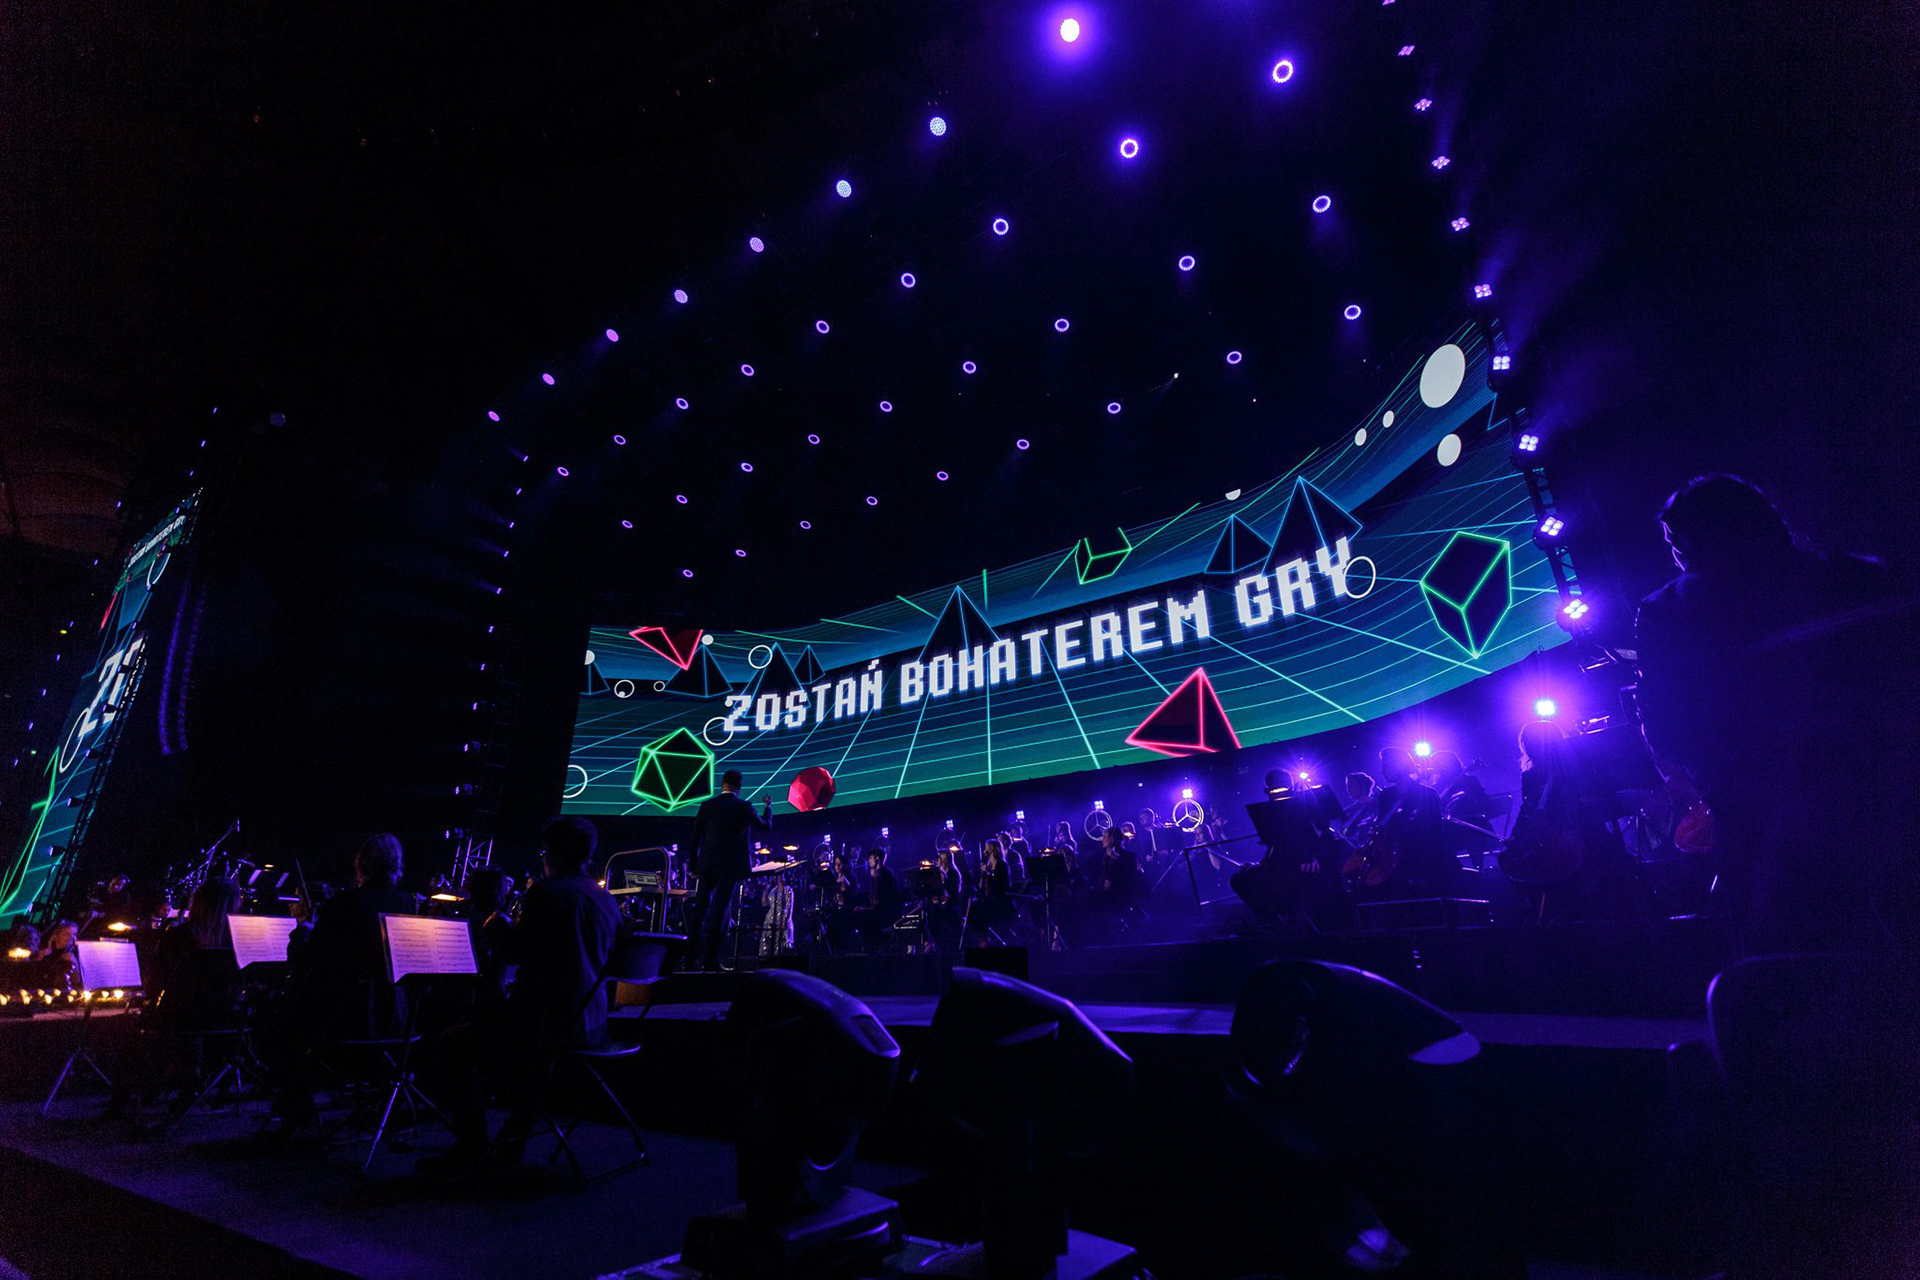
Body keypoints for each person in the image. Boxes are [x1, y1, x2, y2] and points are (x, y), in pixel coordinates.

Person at [1635, 473, 1913, 954]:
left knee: (1789, 951)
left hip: (1754, 804)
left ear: (1693, 539)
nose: (1674, 552)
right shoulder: (1854, 575)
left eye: (1675, 540)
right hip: (1880, 785)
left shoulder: (1668, 611)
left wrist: (1708, 772)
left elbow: (1668, 722)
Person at [299, 834, 417, 1039]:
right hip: (395, 1013)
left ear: (361, 864)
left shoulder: (344, 903)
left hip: (347, 1013)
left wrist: (303, 932)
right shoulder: (406, 903)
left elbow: (315, 956)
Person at [686, 769, 770, 969]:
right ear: (739, 786)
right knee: (719, 912)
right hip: (729, 866)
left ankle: (688, 959)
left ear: (722, 783)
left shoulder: (707, 806)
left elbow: (695, 837)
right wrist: (768, 807)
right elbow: (765, 826)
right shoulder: (743, 806)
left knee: (699, 910)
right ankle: (709, 961)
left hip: (707, 864)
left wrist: (692, 864)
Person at [851, 848, 899, 948]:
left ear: (877, 858)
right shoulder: (871, 874)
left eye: (870, 858)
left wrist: (877, 878)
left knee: (869, 919)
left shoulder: (887, 873)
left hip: (884, 909)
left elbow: (887, 895)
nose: (868, 861)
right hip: (875, 908)